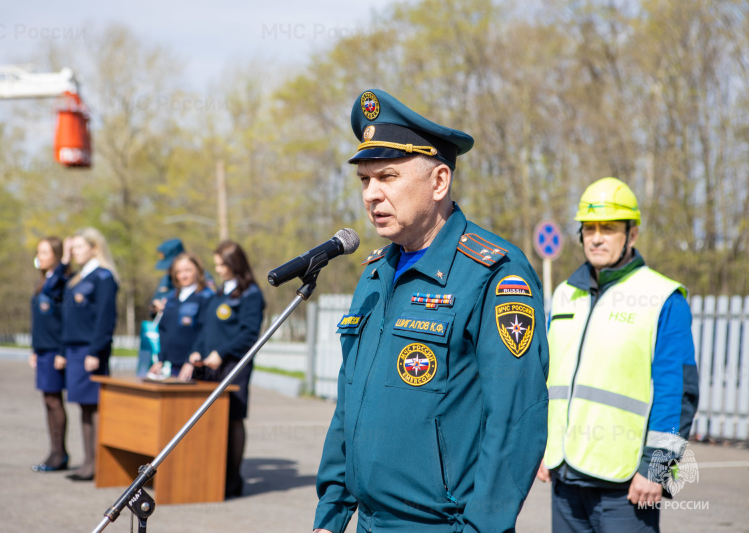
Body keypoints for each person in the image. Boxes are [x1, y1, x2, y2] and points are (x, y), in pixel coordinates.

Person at [312, 89, 549, 533]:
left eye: (388, 176)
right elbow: (350, 405)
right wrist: (331, 515)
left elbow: (518, 417)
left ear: (439, 181)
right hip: (369, 523)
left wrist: (484, 528)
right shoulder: (376, 273)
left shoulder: (494, 273)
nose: (372, 195)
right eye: (365, 180)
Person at [536, 177, 699, 532]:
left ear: (632, 234)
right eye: (589, 228)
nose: (596, 237)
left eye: (608, 228)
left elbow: (678, 394)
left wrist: (656, 470)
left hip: (626, 489)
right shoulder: (564, 295)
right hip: (565, 482)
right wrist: (543, 449)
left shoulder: (663, 298)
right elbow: (548, 379)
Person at [179, 241, 265, 499]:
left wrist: (222, 353)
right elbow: (206, 330)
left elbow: (250, 334)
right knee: (214, 421)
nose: (217, 269)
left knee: (233, 418)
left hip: (234, 365)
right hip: (209, 367)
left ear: (235, 264)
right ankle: (213, 474)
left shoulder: (251, 294)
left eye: (221, 264)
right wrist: (196, 351)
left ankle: (232, 480)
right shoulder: (219, 292)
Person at [59, 227, 119, 481]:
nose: (74, 253)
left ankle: (96, 464)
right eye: (72, 249)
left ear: (95, 247)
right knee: (84, 408)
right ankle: (88, 462)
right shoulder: (78, 277)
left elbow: (105, 318)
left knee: (93, 407)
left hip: (90, 350)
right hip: (75, 350)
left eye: (79, 247)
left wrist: (95, 350)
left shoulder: (103, 277)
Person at [29, 236, 71, 472]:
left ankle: (59, 455)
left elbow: (65, 321)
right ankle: (56, 452)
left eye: (45, 252)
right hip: (43, 350)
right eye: (39, 252)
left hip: (55, 351)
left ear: (56, 255)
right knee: (48, 400)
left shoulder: (60, 282)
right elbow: (39, 322)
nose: (40, 257)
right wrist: (35, 349)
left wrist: (62, 351)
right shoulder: (42, 282)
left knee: (55, 401)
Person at [148, 252, 213, 377]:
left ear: (198, 270)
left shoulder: (206, 297)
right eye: (178, 271)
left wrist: (190, 361)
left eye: (187, 270)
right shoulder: (171, 298)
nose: (182, 275)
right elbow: (164, 331)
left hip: (194, 367)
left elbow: (206, 332)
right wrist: (160, 360)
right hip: (170, 366)